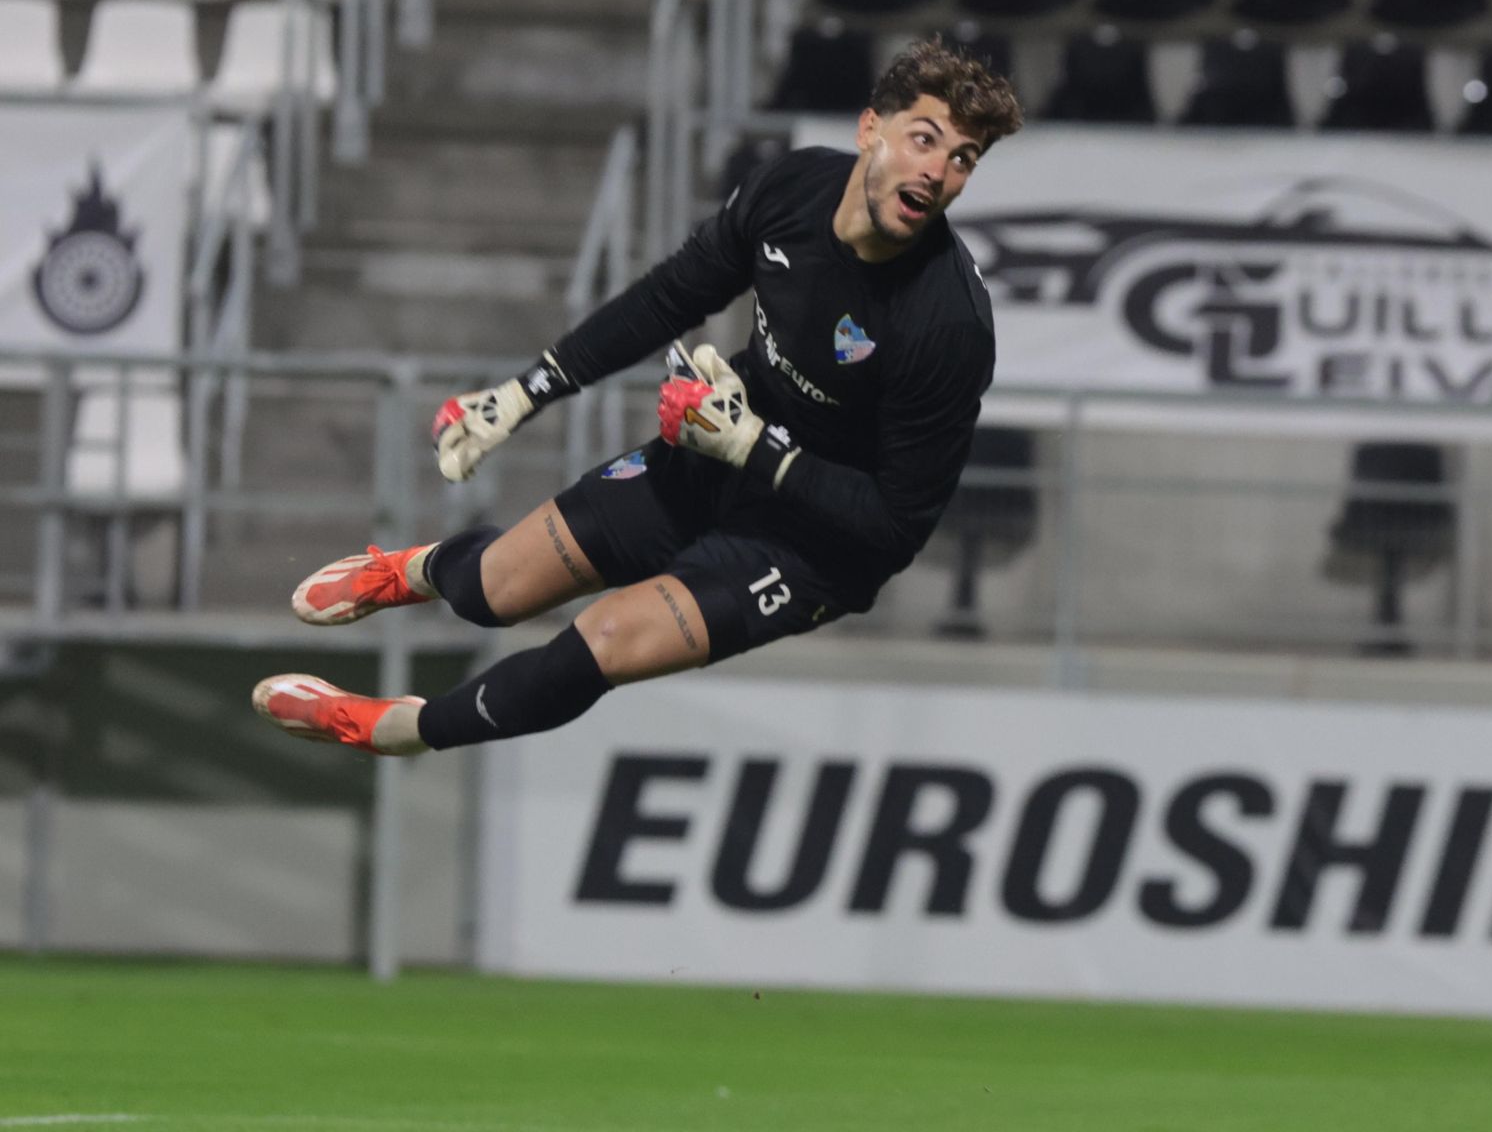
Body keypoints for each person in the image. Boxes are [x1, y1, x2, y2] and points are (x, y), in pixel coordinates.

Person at [252, 39, 1023, 757]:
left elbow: (895, 528)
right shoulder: (791, 187)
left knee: (608, 637)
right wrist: (523, 395)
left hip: (811, 546)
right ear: (869, 129)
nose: (938, 172)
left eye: (963, 159)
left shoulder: (949, 324)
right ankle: (412, 570)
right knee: (497, 589)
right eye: (924, 139)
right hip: (718, 449)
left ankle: (388, 728)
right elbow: (668, 298)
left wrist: (756, 447)